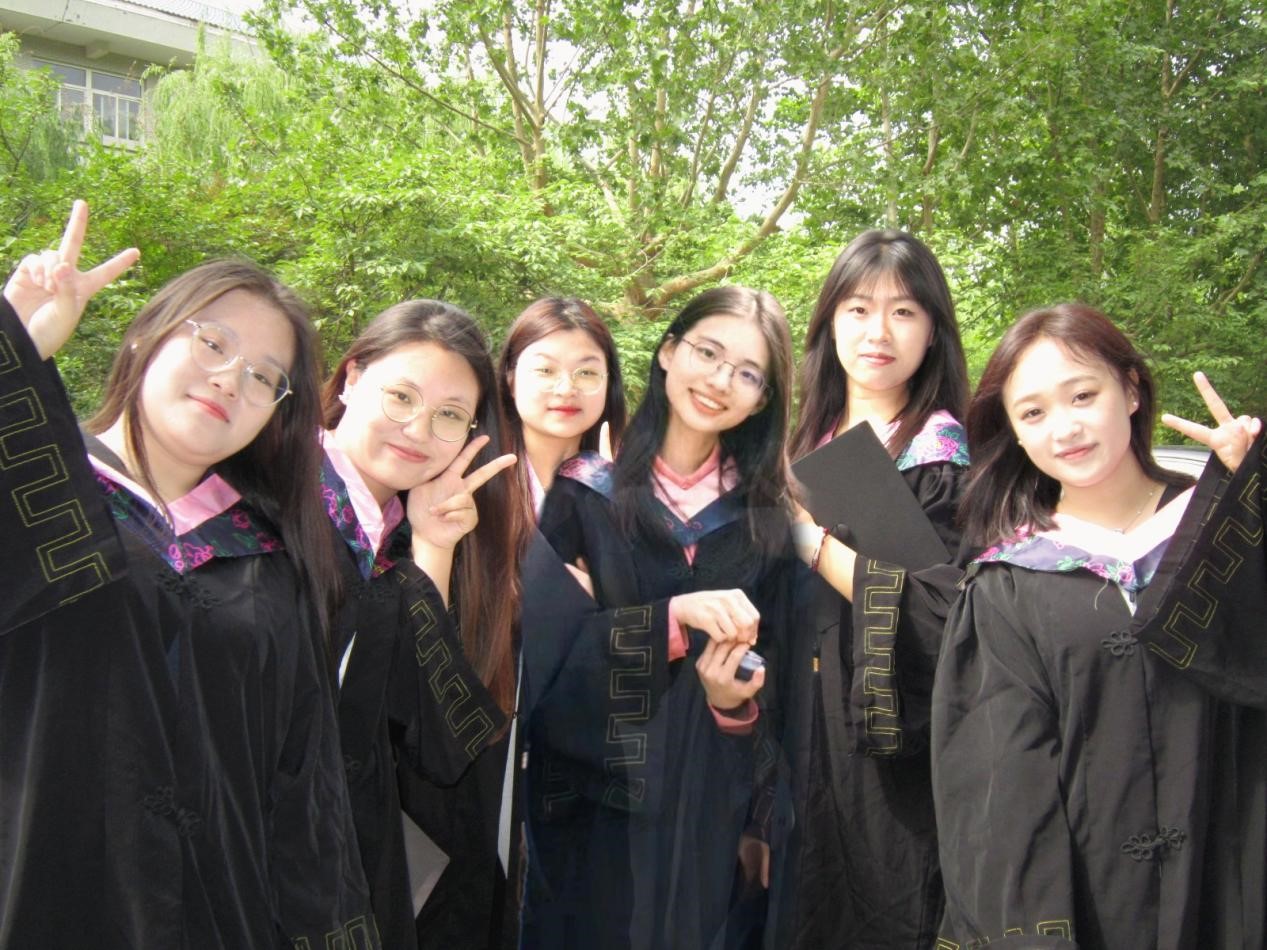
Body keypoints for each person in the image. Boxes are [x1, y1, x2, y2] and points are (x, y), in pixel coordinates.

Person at [0, 201, 377, 948]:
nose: (231, 379)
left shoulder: (274, 561)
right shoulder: (37, 489)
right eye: (212, 342)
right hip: (43, 896)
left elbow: (305, 789)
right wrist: (17, 343)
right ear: (147, 333)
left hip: (222, 919)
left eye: (265, 376)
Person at [931, 302, 1263, 948]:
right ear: (1014, 433)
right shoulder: (1007, 583)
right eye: (1032, 413)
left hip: (1234, 892)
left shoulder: (1220, 536)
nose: (1065, 428)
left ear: (1130, 390)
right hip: (1094, 913)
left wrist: (1252, 504)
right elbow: (1002, 797)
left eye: (1082, 395)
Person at [518, 285, 800, 950]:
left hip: (710, 813)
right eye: (708, 353)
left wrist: (735, 710)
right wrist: (669, 622)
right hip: (592, 808)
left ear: (762, 400)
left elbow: (787, 679)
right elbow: (544, 660)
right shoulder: (585, 492)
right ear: (669, 351)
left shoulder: (768, 518)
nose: (720, 381)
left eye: (747, 374)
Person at [770, 229, 970, 948]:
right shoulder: (794, 447)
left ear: (932, 331)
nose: (877, 331)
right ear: (829, 322)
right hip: (789, 736)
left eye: (903, 311)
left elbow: (944, 618)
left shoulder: (943, 459)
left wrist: (809, 542)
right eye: (857, 309)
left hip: (888, 751)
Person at [319, 299, 523, 949]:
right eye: (400, 396)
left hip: (348, 862)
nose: (417, 429)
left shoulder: (397, 536)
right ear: (352, 378)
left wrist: (433, 547)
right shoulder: (264, 508)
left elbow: (435, 736)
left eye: (449, 415)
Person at [498, 296, 627, 518]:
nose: (566, 389)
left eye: (586, 373)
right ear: (511, 380)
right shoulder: (474, 477)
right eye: (545, 371)